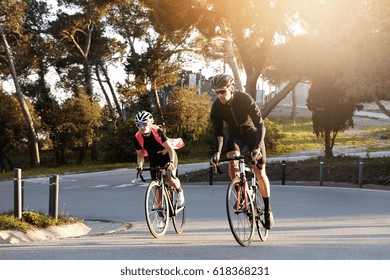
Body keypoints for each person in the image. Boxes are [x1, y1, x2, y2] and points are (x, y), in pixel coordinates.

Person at [210, 73, 274, 229]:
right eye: (216, 92)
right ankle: (241, 192)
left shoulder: (244, 99)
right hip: (235, 135)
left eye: (222, 92)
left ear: (231, 88)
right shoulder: (217, 106)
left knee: (259, 172)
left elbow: (260, 125)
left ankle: (267, 210)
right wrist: (217, 152)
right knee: (232, 159)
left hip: (253, 134)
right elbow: (218, 133)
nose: (219, 96)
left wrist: (258, 147)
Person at [133, 111, 185, 207]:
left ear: (150, 123)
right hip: (154, 159)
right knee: (156, 188)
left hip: (168, 156)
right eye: (138, 125)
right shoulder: (137, 137)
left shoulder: (158, 132)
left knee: (169, 177)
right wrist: (140, 166)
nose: (141, 127)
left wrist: (171, 162)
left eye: (144, 124)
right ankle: (160, 216)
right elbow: (140, 156)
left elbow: (170, 149)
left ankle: (179, 192)